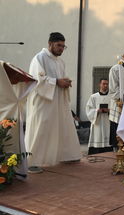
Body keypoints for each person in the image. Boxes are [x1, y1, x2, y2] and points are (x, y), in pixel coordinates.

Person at [25, 32, 81, 172]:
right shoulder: (39, 58)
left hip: (58, 101)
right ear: (50, 44)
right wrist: (57, 82)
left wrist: (65, 82)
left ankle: (67, 155)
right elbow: (37, 80)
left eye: (63, 46)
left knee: (63, 126)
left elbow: (59, 79)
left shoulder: (60, 62)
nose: (61, 48)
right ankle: (32, 162)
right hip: (43, 101)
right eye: (58, 45)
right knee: (41, 129)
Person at [85, 79, 113, 155]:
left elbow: (115, 109)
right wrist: (97, 111)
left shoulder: (111, 97)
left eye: (107, 84)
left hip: (108, 121)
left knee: (108, 137)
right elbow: (88, 109)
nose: (105, 85)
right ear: (99, 84)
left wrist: (109, 110)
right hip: (97, 121)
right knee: (97, 136)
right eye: (103, 84)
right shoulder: (93, 97)